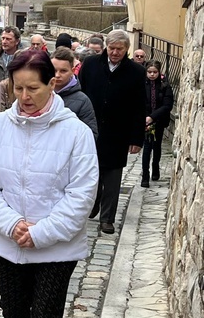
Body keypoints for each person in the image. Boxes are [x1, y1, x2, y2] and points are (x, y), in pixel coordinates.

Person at [0, 49, 99, 318]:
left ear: (51, 84)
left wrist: (43, 232)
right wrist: (12, 224)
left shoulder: (76, 133)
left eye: (33, 88)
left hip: (57, 247)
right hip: (11, 241)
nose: (25, 96)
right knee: (13, 312)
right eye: (18, 88)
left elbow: (82, 193)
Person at [79, 30, 145, 235]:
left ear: (127, 50)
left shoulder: (136, 71)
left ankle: (107, 219)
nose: (115, 52)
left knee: (113, 178)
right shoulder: (90, 65)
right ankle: (93, 203)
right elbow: (80, 93)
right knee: (91, 173)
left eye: (120, 49)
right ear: (106, 46)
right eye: (112, 48)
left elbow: (139, 106)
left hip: (118, 132)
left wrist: (136, 138)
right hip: (91, 130)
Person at [51, 47, 98, 139]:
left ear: (72, 71)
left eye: (63, 71)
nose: (57, 75)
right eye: (54, 70)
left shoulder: (82, 101)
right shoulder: (39, 94)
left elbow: (90, 135)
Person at [141, 60, 173, 187]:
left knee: (157, 145)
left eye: (155, 72)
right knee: (147, 147)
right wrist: (145, 117)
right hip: (145, 120)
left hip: (159, 120)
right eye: (149, 72)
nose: (152, 74)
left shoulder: (165, 86)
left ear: (159, 72)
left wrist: (153, 117)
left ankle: (155, 167)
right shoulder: (142, 85)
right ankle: (145, 176)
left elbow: (167, 105)